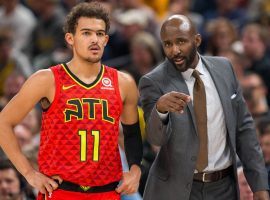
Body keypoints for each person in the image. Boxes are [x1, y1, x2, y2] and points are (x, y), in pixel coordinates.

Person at [0, 2, 143, 200]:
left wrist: (135, 170)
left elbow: (132, 133)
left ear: (107, 39)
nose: (94, 39)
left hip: (107, 192)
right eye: (86, 33)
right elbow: (3, 122)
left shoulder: (124, 82)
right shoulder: (46, 79)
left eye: (100, 34)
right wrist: (28, 173)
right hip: (61, 191)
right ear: (70, 38)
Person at [138, 14, 269, 200]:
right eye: (167, 44)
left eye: (181, 41)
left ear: (197, 40)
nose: (174, 50)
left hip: (224, 187)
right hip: (177, 191)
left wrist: (260, 187)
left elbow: (244, 130)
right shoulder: (153, 81)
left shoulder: (224, 68)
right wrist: (160, 111)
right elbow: (155, 138)